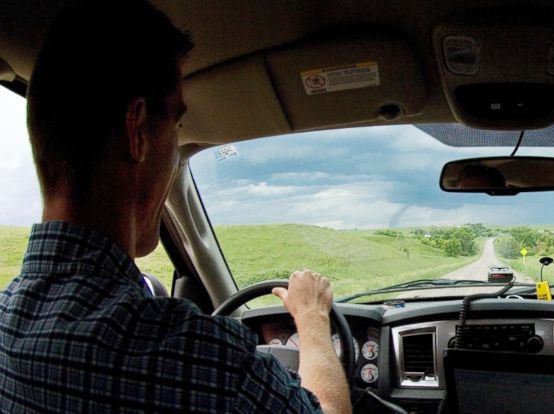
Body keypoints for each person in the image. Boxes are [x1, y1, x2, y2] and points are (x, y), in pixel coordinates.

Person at [0, 1, 350, 412]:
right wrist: (312, 318)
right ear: (137, 131)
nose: (176, 153)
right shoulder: (207, 364)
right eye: (177, 125)